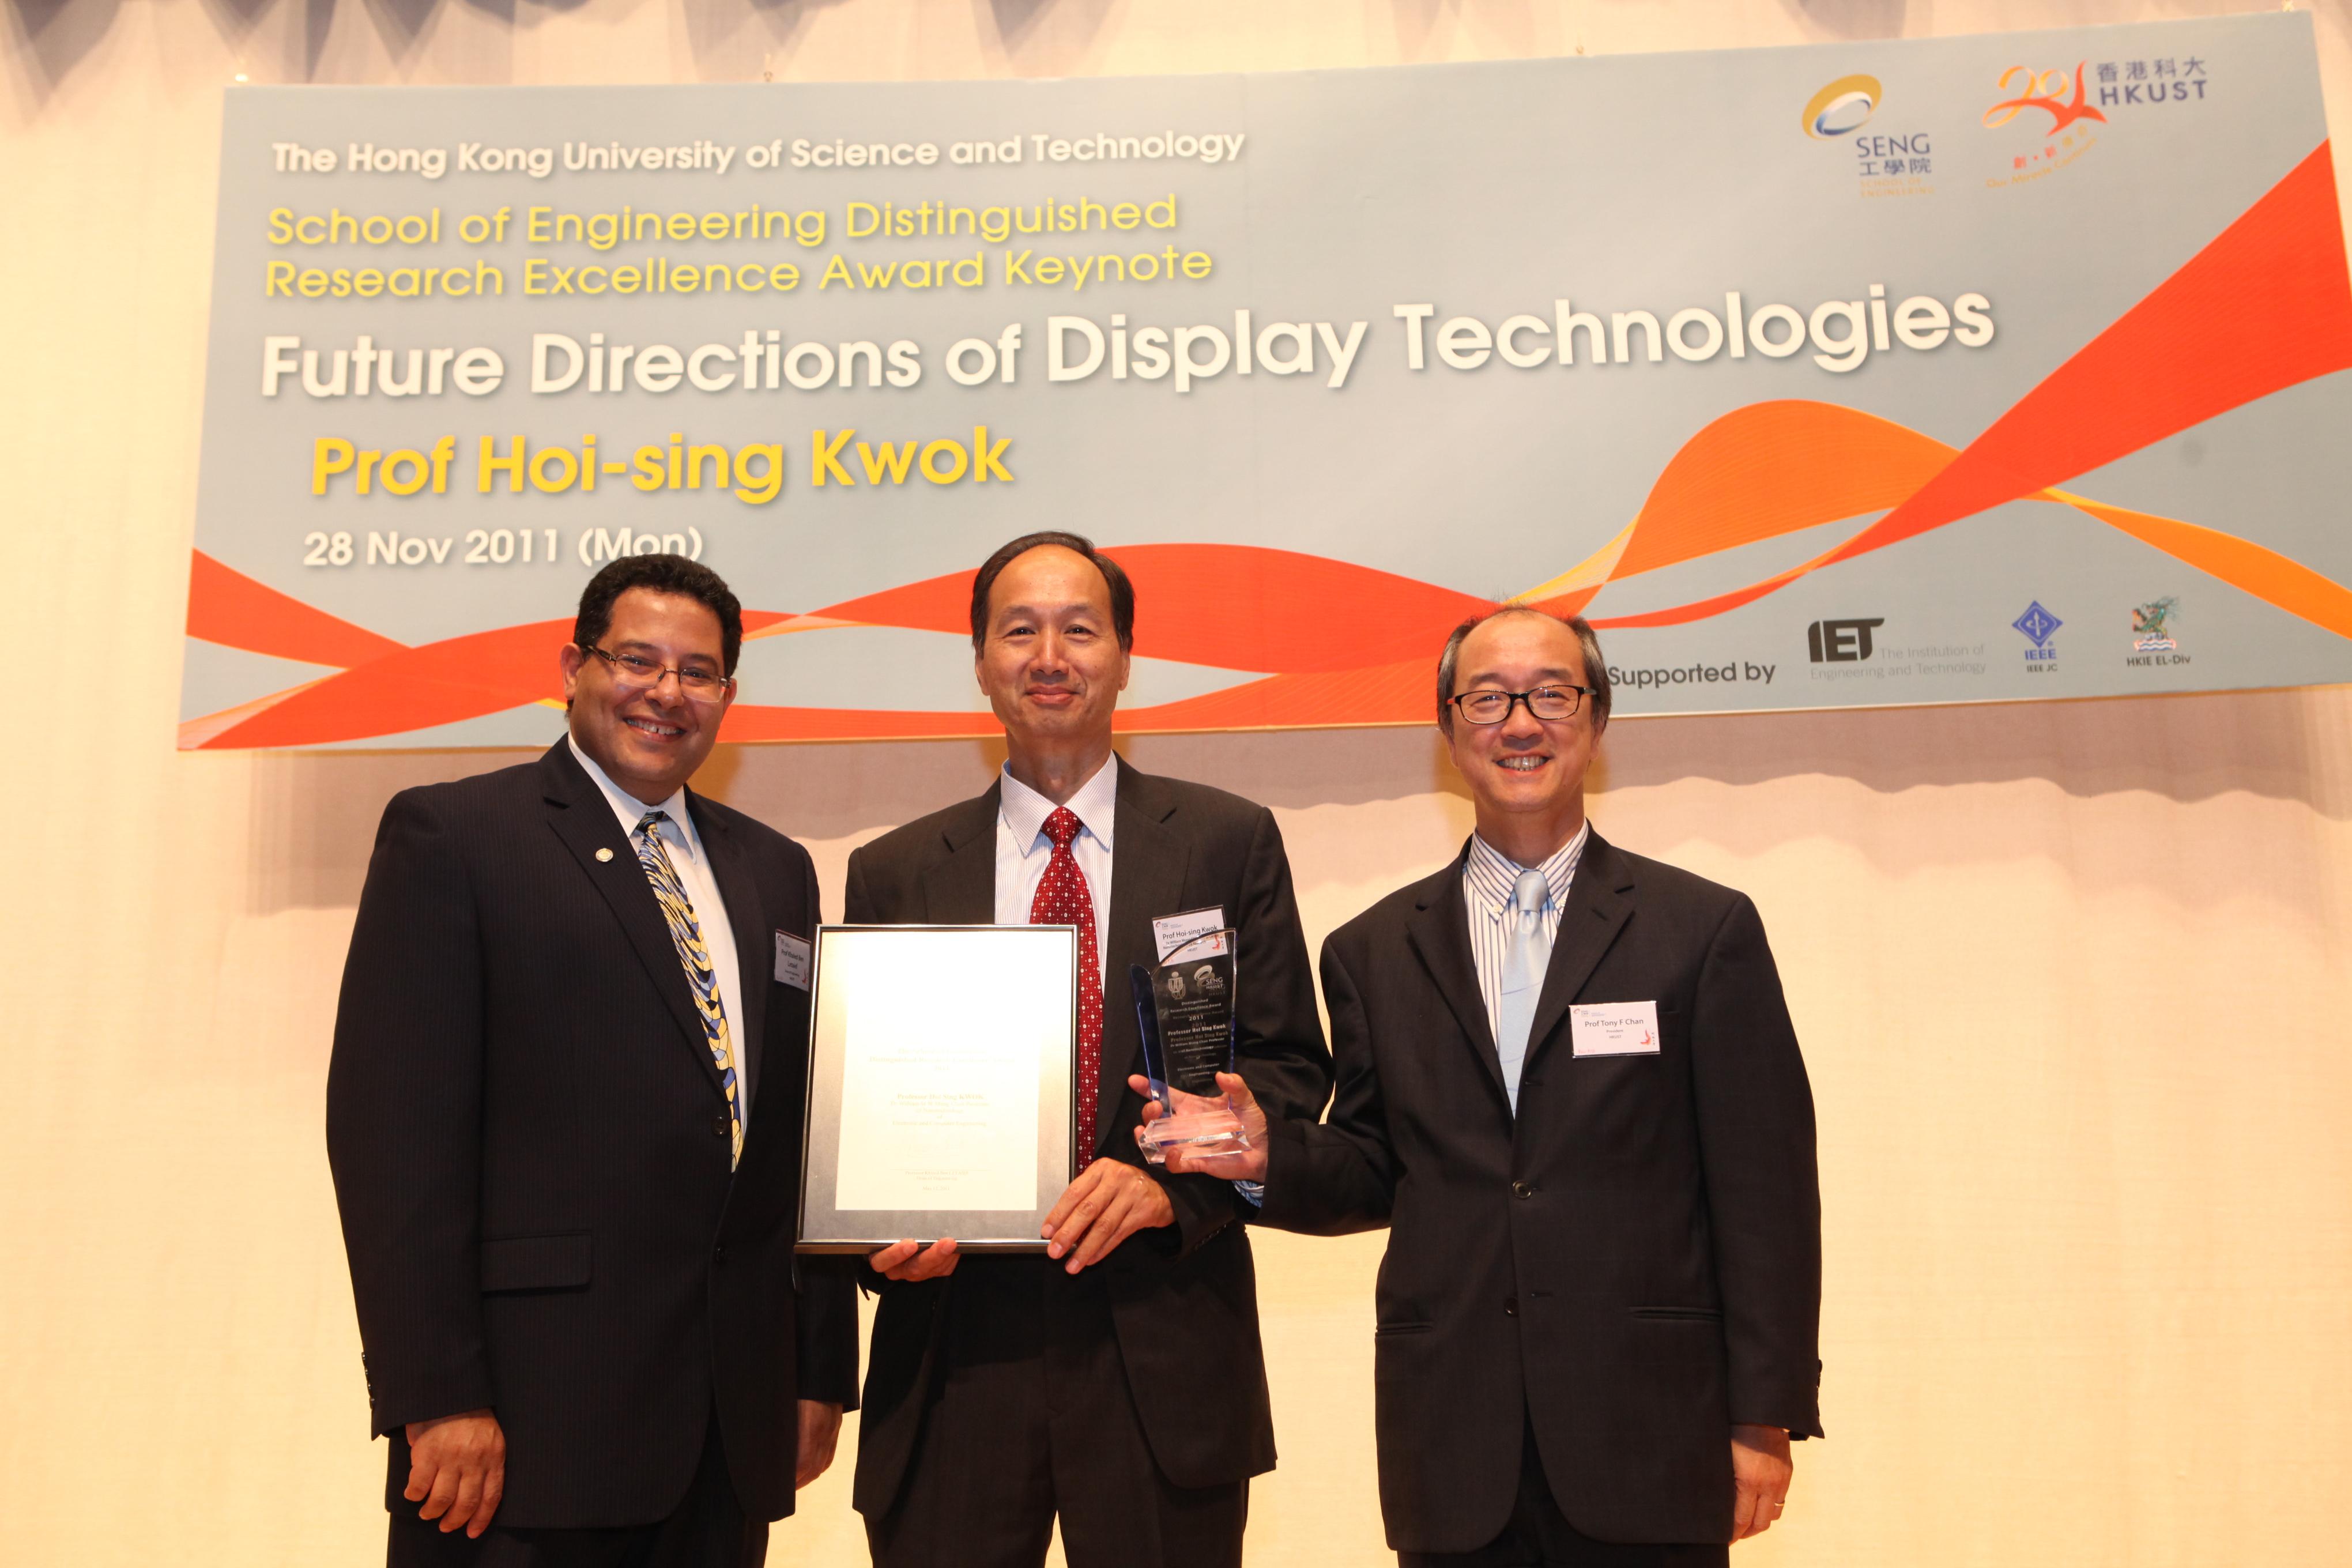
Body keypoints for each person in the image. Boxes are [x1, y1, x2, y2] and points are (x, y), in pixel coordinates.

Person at [1156, 606, 1822, 1566]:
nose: (1521, 722)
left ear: (1596, 722)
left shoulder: (1701, 932)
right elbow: (1379, 1166)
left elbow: (1767, 1193)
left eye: (1553, 694)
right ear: (1448, 727)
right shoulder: (1373, 951)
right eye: (1489, 698)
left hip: (1651, 1431)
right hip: (1454, 1444)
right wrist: (1269, 1158)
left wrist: (1765, 1414)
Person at [326, 555, 859, 1567]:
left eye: (699, 672)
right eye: (637, 660)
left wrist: (817, 1368)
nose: (667, 692)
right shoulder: (456, 835)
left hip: (725, 1431)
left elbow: (798, 1132)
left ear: (728, 697)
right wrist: (437, 1396)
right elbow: (393, 1138)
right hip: (525, 1431)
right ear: (573, 666)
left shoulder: (775, 869)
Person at [842, 531, 1332, 1568]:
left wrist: (1175, 1187)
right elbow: (864, 1108)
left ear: (1123, 656)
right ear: (979, 663)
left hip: (1164, 1350)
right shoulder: (896, 874)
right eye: (1019, 631)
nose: (1049, 656)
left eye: (1079, 629)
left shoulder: (1224, 842)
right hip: (953, 1361)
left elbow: (1289, 1071)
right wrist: (878, 1234)